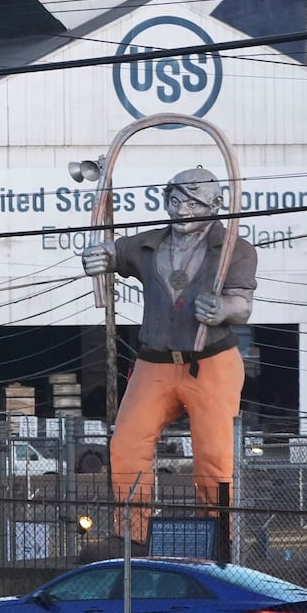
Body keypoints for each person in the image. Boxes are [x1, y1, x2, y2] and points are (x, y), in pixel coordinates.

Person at [81, 166, 257, 548]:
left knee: (213, 455)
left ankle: (215, 535)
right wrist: (96, 256)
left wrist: (223, 307)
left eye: (193, 203)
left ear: (214, 206)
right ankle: (132, 534)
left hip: (211, 362)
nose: (182, 210)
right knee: (125, 446)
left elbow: (243, 304)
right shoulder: (149, 244)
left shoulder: (234, 250)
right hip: (154, 363)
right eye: (174, 200)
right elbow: (111, 251)